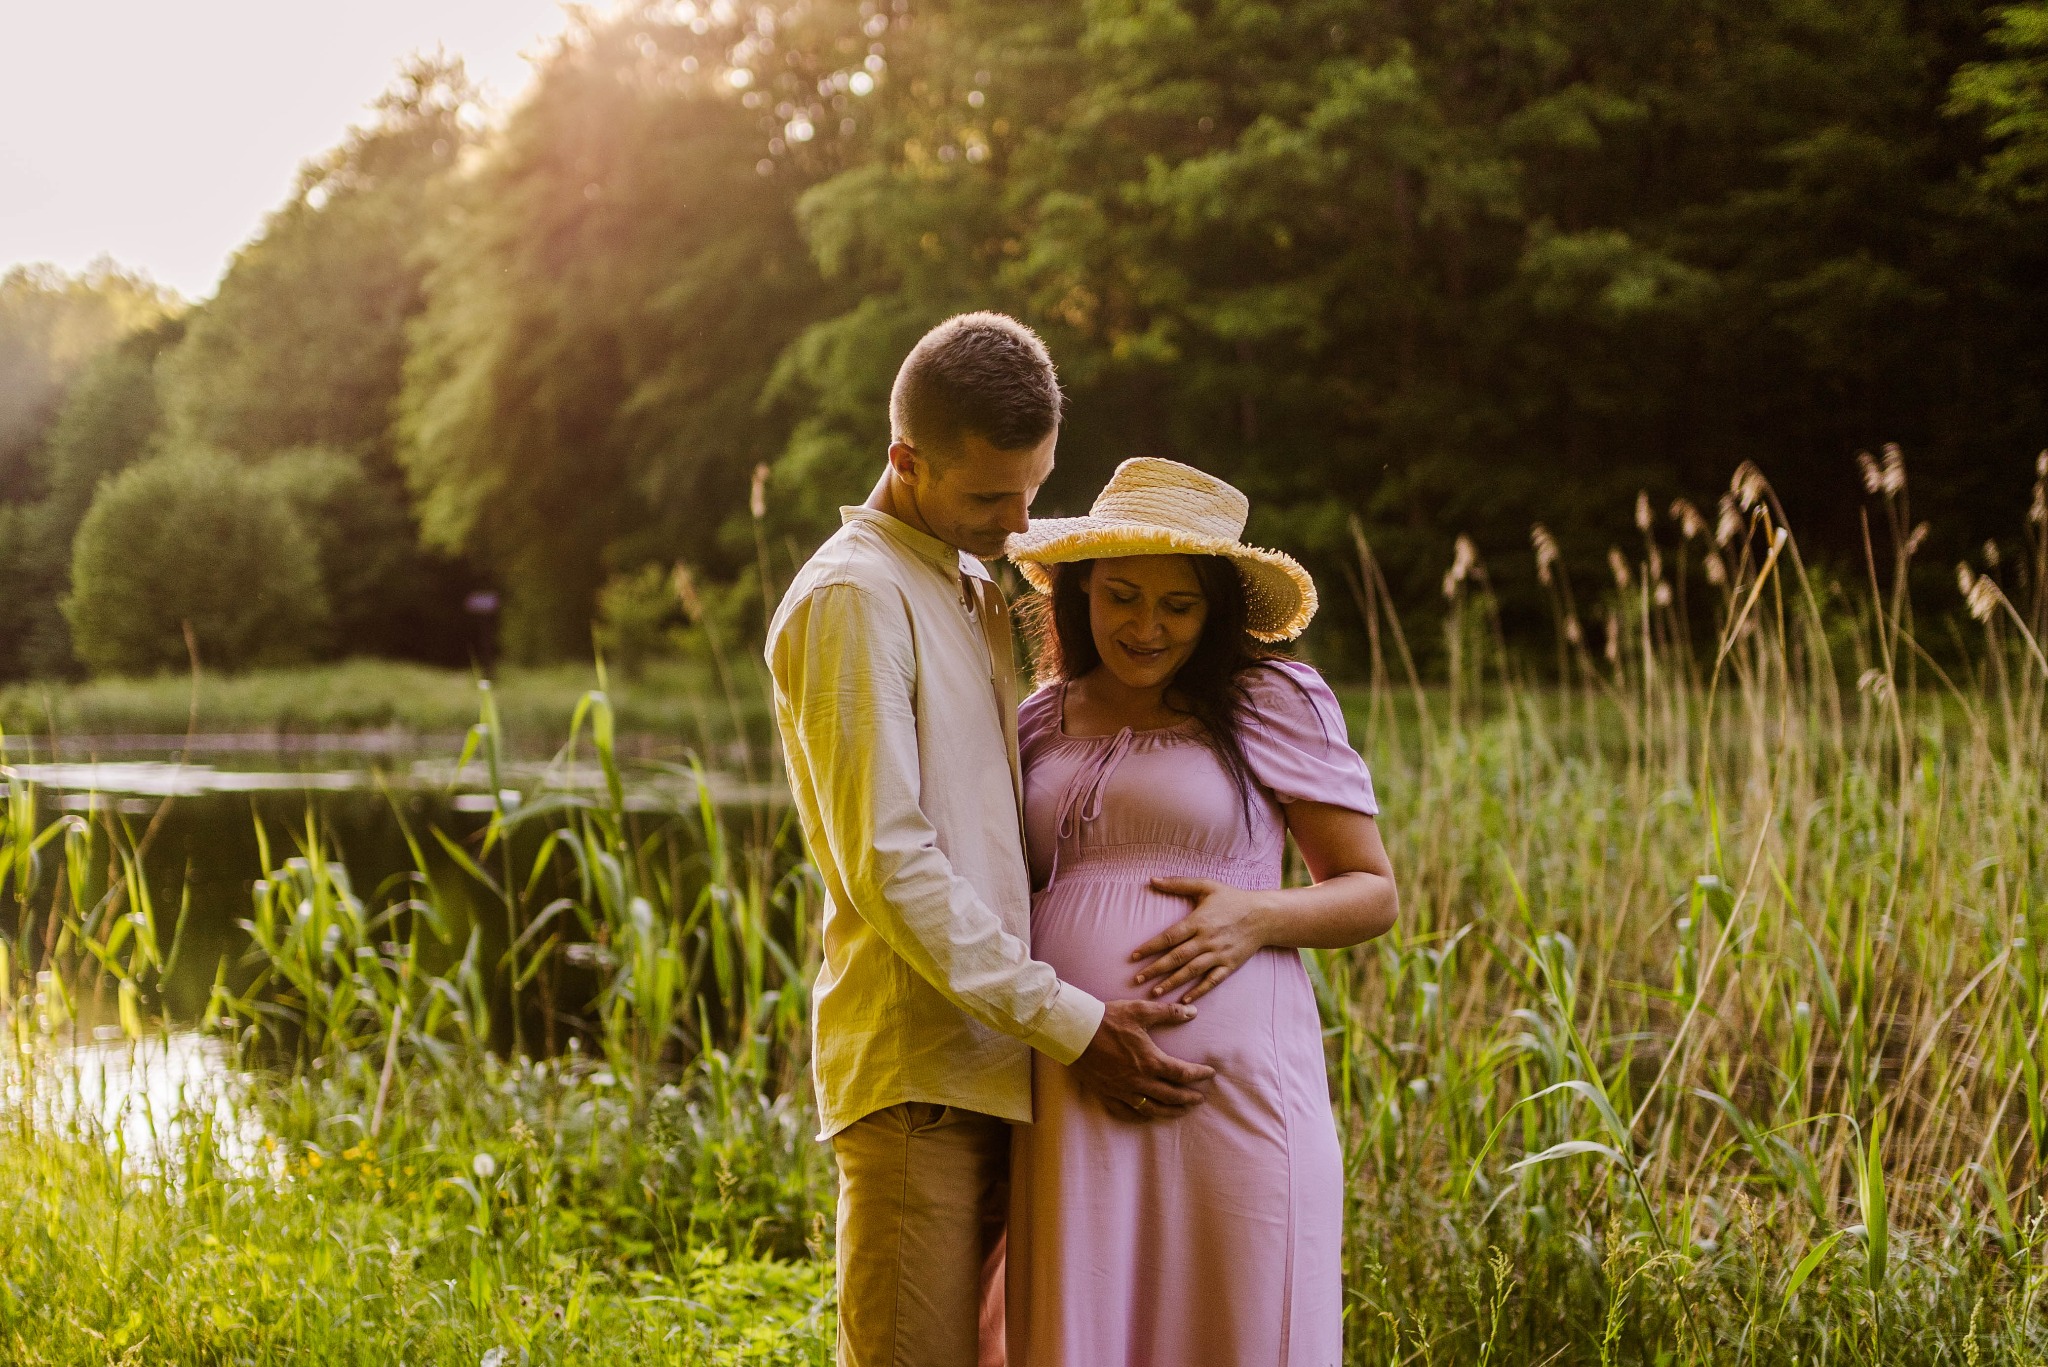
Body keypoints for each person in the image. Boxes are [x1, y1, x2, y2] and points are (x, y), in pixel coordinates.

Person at [764, 316, 1218, 1367]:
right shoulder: (852, 595)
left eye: (1033, 489)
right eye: (986, 498)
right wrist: (1071, 1019)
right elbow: (890, 862)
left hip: (1002, 1068)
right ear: (903, 462)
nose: (1019, 525)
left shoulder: (964, 583)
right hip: (920, 1078)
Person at [1003, 457, 1400, 1367]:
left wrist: (1256, 917)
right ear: (1080, 591)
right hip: (1075, 1077)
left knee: (1235, 1326)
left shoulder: (1270, 698)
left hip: (1228, 1094)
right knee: (1091, 1327)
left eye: (1179, 606)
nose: (1146, 627)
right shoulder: (1038, 718)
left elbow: (1371, 891)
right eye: (1122, 596)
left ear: (1216, 607)